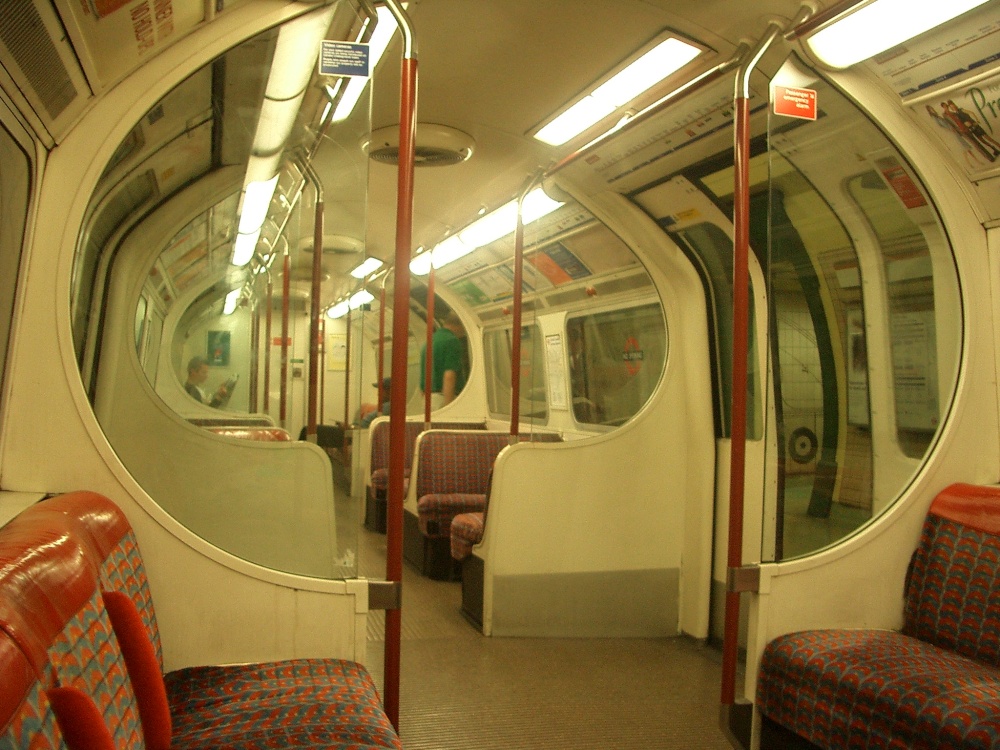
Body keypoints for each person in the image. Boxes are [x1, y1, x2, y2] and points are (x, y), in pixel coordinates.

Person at [419, 310, 467, 408]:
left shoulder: (430, 341)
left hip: (428, 398)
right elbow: (449, 376)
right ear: (461, 324)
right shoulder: (452, 341)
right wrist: (448, 405)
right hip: (444, 398)